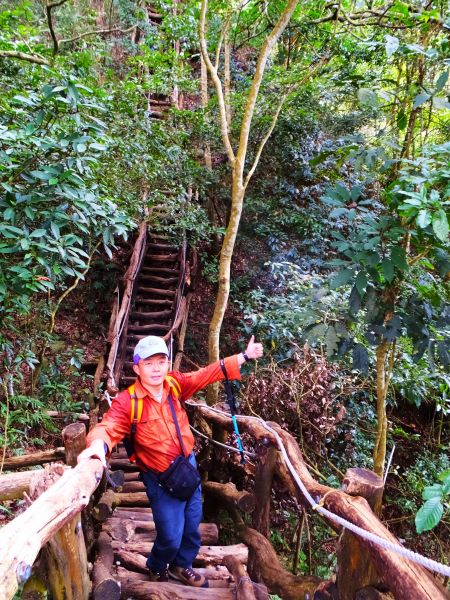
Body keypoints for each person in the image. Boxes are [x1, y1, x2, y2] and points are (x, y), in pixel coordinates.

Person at [78, 334, 263, 588]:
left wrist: (244, 356)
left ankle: (181, 566)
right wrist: (97, 447)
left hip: (187, 467)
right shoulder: (128, 402)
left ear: (168, 364)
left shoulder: (174, 385)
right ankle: (156, 564)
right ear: (137, 368)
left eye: (161, 361)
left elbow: (203, 376)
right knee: (170, 536)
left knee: (191, 528)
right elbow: (108, 426)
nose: (156, 369)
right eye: (148, 363)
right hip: (160, 479)